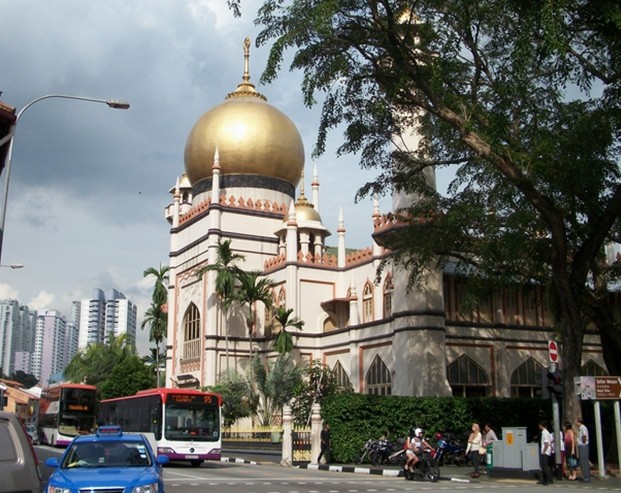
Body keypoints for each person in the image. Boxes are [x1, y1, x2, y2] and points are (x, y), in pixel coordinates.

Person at [538, 420, 553, 485]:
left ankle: (549, 479)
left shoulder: (545, 433)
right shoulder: (544, 432)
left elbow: (546, 443)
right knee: (543, 466)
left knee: (545, 466)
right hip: (545, 451)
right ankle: (543, 479)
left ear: (541, 425)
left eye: (539, 425)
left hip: (545, 452)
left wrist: (544, 451)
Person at [576, 417, 591, 482]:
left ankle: (587, 477)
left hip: (583, 446)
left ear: (579, 422)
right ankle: (585, 476)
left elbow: (584, 436)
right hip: (581, 445)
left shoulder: (583, 428)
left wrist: (583, 442)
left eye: (577, 421)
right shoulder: (580, 429)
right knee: (582, 461)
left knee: (584, 461)